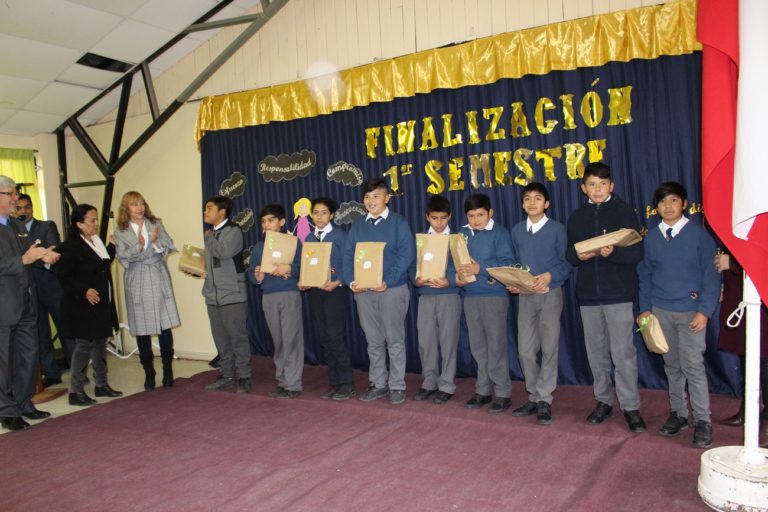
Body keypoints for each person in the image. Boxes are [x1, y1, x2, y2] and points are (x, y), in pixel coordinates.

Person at [637, 181, 720, 449]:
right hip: (661, 312)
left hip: (691, 313)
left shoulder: (699, 235)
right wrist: (646, 309)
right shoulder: (651, 238)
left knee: (692, 366)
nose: (668, 206)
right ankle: (679, 414)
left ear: (685, 204)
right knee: (671, 366)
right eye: (662, 202)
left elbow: (711, 275)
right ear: (656, 208)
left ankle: (703, 421)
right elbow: (645, 276)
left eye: (674, 200)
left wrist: (705, 311)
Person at [566, 162, 646, 433]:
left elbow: (636, 253)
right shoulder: (577, 217)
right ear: (583, 187)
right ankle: (603, 401)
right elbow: (568, 255)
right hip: (588, 295)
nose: (597, 189)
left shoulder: (625, 212)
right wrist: (579, 255)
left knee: (623, 352)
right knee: (596, 353)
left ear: (611, 186)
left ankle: (630, 406)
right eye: (591, 184)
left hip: (618, 293)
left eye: (602, 184)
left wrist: (616, 254)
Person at [342, 178, 415, 405]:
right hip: (363, 292)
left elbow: (407, 255)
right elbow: (347, 255)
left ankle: (397, 385)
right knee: (372, 340)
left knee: (394, 339)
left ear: (387, 198)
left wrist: (388, 280)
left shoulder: (398, 223)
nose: (371, 201)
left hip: (391, 290)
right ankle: (378, 383)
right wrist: (351, 281)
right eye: (367, 197)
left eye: (376, 196)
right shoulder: (358, 225)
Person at [507, 183, 572, 425]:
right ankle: (533, 394)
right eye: (527, 199)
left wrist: (549, 276)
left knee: (549, 347)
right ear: (522, 204)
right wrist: (512, 282)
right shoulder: (517, 231)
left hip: (550, 293)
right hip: (525, 296)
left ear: (547, 204)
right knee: (525, 349)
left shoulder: (557, 229)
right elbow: (514, 262)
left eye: (537, 198)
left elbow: (566, 264)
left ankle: (544, 398)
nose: (532, 202)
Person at [0, 176, 58, 430]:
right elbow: (19, 259)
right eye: (10, 194)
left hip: (26, 302)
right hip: (4, 305)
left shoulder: (16, 224)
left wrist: (45, 256)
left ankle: (23, 402)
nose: (16, 198)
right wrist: (23, 259)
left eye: (15, 193)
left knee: (28, 355)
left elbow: (29, 255)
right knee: (4, 361)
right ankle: (6, 410)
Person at [57, 203, 123, 407]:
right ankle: (75, 391)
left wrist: (111, 245)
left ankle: (101, 384)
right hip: (81, 304)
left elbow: (101, 264)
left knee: (100, 343)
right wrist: (84, 290)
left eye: (96, 219)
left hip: (100, 302)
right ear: (79, 224)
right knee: (83, 346)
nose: (96, 224)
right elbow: (64, 277)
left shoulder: (95, 241)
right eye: (91, 221)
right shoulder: (69, 246)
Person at [114, 191, 180, 390]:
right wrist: (141, 246)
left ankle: (168, 370)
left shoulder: (156, 223)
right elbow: (123, 257)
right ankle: (148, 372)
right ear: (126, 209)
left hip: (158, 275)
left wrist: (157, 243)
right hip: (138, 279)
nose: (139, 208)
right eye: (134, 204)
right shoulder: (120, 231)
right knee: (142, 328)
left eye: (142, 203)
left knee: (164, 324)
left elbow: (170, 245)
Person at [457, 193, 515, 413]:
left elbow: (507, 264)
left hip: (494, 296)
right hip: (470, 297)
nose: (476, 220)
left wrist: (479, 268)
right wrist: (457, 277)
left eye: (480, 214)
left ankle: (502, 392)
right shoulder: (462, 234)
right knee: (478, 347)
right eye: (471, 215)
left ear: (490, 213)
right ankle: (483, 389)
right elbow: (454, 260)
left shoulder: (499, 233)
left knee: (496, 346)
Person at [15, 193, 75, 386]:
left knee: (65, 329)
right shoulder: (11, 231)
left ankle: (77, 371)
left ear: (32, 207)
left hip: (51, 287)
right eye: (19, 208)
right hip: (28, 289)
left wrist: (35, 257)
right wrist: (32, 257)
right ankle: (50, 373)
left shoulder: (46, 226)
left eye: (27, 207)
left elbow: (54, 251)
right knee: (40, 333)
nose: (23, 211)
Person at [248, 204, 304, 398]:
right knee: (278, 341)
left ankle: (293, 384)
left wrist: (289, 268)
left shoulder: (293, 243)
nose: (266, 224)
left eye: (271, 220)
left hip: (289, 294)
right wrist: (257, 276)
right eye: (263, 221)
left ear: (281, 222)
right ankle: (282, 380)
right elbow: (251, 275)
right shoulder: (258, 247)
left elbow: (303, 267)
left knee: (291, 340)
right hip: (268, 296)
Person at [409, 195, 461, 405]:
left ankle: (447, 384)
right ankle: (429, 382)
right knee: (426, 342)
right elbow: (412, 268)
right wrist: (417, 280)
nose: (439, 223)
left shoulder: (456, 239)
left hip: (448, 296)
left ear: (449, 217)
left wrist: (449, 281)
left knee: (448, 342)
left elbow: (463, 269)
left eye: (443, 218)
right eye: (434, 218)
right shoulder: (421, 240)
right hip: (426, 297)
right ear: (427, 217)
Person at [303, 197, 355, 400]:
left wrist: (338, 280)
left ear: (331, 215)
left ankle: (347, 382)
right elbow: (308, 265)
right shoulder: (309, 238)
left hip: (335, 291)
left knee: (335, 336)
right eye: (316, 213)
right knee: (324, 337)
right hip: (316, 292)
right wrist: (305, 280)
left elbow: (347, 262)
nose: (319, 217)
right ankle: (334, 382)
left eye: (324, 212)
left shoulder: (340, 236)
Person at [715, 251, 768, 446]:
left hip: (762, 294)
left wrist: (735, 264)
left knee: (765, 358)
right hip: (741, 291)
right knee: (748, 353)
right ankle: (748, 410)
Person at [200, 196, 251, 393]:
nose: (205, 212)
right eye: (205, 208)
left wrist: (210, 238)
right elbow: (213, 263)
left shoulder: (233, 231)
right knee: (221, 339)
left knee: (237, 337)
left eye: (209, 208)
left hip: (232, 294)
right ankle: (227, 374)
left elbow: (223, 252)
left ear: (222, 212)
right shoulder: (211, 234)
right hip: (213, 295)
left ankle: (244, 376)